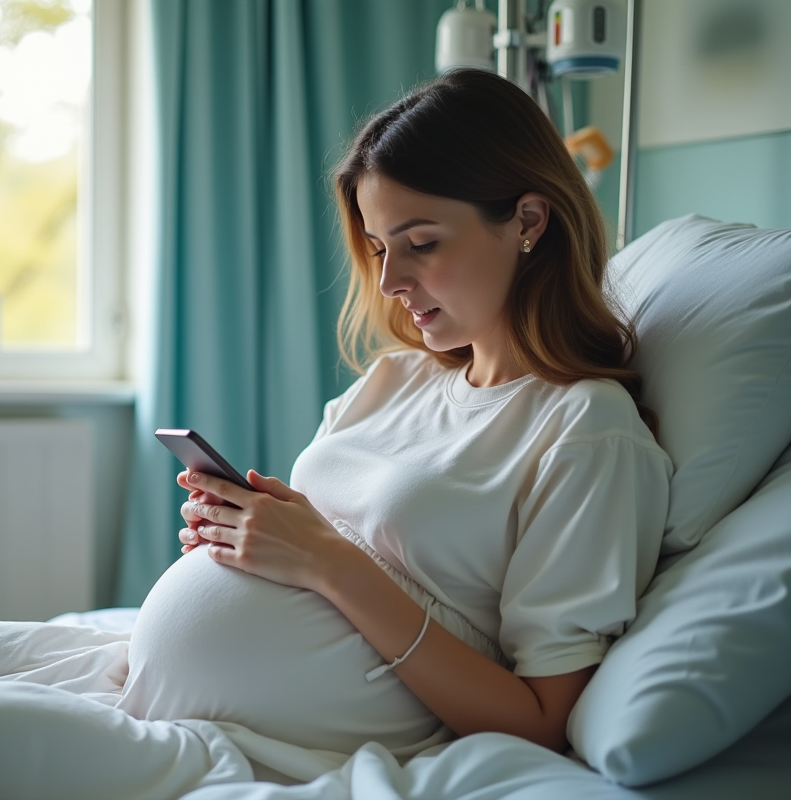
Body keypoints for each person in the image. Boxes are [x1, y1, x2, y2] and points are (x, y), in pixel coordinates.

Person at [173, 68, 671, 754]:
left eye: (422, 243)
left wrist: (325, 564)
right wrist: (250, 536)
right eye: (379, 248)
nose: (389, 281)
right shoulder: (392, 380)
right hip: (186, 710)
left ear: (528, 221)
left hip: (281, 749)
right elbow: (322, 544)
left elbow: (543, 722)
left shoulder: (585, 430)